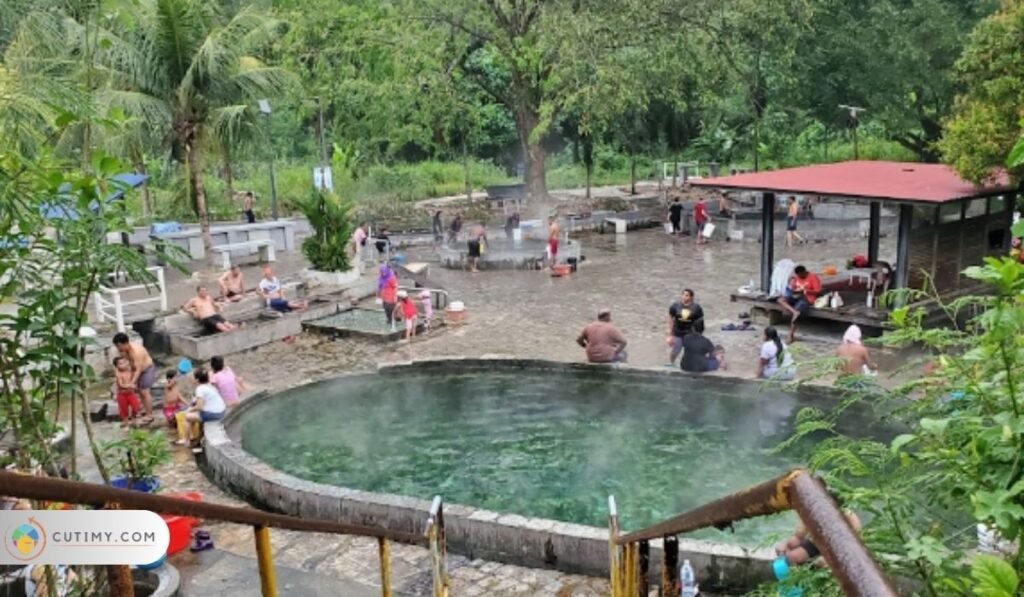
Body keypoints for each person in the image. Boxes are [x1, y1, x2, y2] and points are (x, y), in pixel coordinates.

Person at [775, 491, 861, 566]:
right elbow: (798, 536)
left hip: (840, 548)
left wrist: (830, 560)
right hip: (817, 543)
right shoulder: (813, 512)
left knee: (822, 564)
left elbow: (854, 545)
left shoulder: (849, 517)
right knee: (791, 557)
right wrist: (786, 545)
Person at [176, 369, 226, 446]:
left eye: (193, 377)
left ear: (197, 380)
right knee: (192, 415)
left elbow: (200, 406)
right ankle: (195, 436)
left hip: (213, 415)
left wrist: (189, 410)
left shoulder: (200, 389)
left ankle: (186, 441)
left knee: (186, 417)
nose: (191, 378)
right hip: (221, 412)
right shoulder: (210, 386)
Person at [112, 332, 155, 419]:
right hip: (134, 370)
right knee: (139, 391)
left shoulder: (137, 351)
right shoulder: (122, 351)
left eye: (118, 346)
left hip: (146, 369)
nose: (118, 348)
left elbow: (138, 370)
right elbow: (117, 364)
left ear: (123, 344)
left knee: (144, 391)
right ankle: (145, 410)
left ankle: (149, 414)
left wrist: (131, 383)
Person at [777, 265, 821, 342]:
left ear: (804, 272)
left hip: (807, 298)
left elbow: (818, 290)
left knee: (796, 315)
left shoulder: (813, 277)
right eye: (798, 275)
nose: (800, 276)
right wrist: (793, 288)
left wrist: (807, 290)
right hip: (797, 295)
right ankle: (794, 311)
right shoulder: (797, 277)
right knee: (780, 300)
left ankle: (790, 335)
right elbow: (794, 287)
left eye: (801, 275)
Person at [666, 289, 705, 365]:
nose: (684, 297)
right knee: (675, 350)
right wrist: (669, 335)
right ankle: (671, 363)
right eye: (683, 295)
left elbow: (700, 322)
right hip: (678, 332)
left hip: (690, 333)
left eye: (686, 295)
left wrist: (699, 335)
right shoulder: (675, 306)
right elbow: (670, 319)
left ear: (691, 297)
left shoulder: (696, 308)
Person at [113, 356, 142, 426]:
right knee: (124, 411)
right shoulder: (118, 374)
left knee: (136, 407)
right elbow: (121, 385)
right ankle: (126, 424)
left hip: (131, 393)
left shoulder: (129, 370)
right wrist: (130, 385)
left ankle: (134, 420)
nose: (123, 364)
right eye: (120, 363)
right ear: (117, 366)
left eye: (124, 362)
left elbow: (135, 368)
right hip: (122, 394)